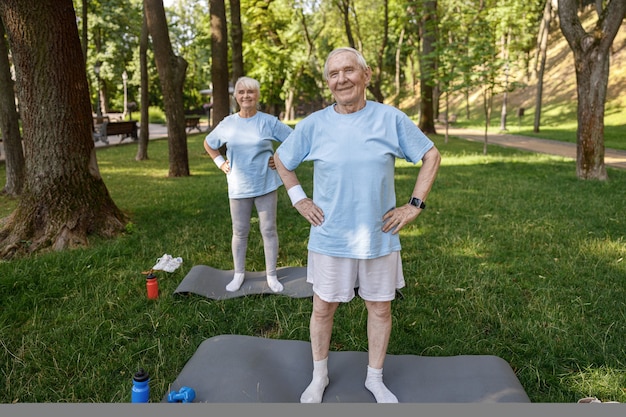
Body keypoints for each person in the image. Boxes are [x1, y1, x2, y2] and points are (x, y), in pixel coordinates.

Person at [274, 47, 441, 403]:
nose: (341, 79)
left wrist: (414, 205)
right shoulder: (315, 124)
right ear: (328, 83)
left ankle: (375, 379)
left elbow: (430, 155)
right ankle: (319, 377)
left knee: (380, 307)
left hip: (378, 236)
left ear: (366, 75)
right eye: (333, 74)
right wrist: (298, 198)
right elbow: (282, 158)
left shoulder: (389, 119)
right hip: (330, 236)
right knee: (323, 308)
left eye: (349, 71)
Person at [204, 76, 293, 293]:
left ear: (257, 96)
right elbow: (209, 143)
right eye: (242, 92)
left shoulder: (268, 121)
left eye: (250, 92)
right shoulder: (228, 123)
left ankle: (271, 275)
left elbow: (294, 139)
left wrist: (280, 158)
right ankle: (239, 274)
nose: (246, 96)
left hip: (265, 183)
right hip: (238, 186)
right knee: (240, 231)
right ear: (236, 96)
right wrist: (219, 162)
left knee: (269, 229)